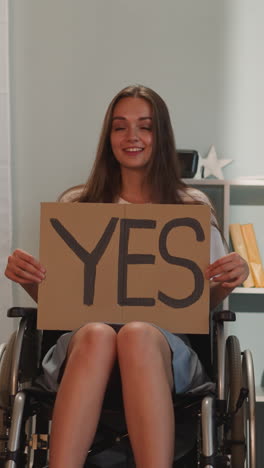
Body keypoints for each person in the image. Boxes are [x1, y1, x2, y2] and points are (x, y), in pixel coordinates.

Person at [5, 85, 249, 468]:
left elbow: (199, 305)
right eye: (120, 127)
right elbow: (65, 299)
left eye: (145, 127)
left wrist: (230, 278)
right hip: (85, 342)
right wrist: (28, 279)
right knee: (100, 332)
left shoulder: (190, 207)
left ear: (161, 135)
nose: (132, 137)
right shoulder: (77, 203)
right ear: (108, 138)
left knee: (136, 331)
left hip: (163, 347)